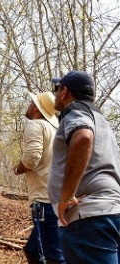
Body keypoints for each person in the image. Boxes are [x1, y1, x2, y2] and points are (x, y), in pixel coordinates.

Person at [48, 70, 120, 264]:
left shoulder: (75, 110)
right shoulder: (101, 119)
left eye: (57, 89)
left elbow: (83, 138)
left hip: (90, 218)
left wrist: (66, 195)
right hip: (110, 213)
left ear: (64, 92)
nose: (55, 94)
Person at [13, 91, 65, 264]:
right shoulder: (56, 128)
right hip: (54, 197)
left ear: (36, 108)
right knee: (33, 250)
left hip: (44, 199)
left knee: (54, 255)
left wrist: (18, 169)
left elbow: (31, 158)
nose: (29, 105)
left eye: (31, 102)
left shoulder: (35, 125)